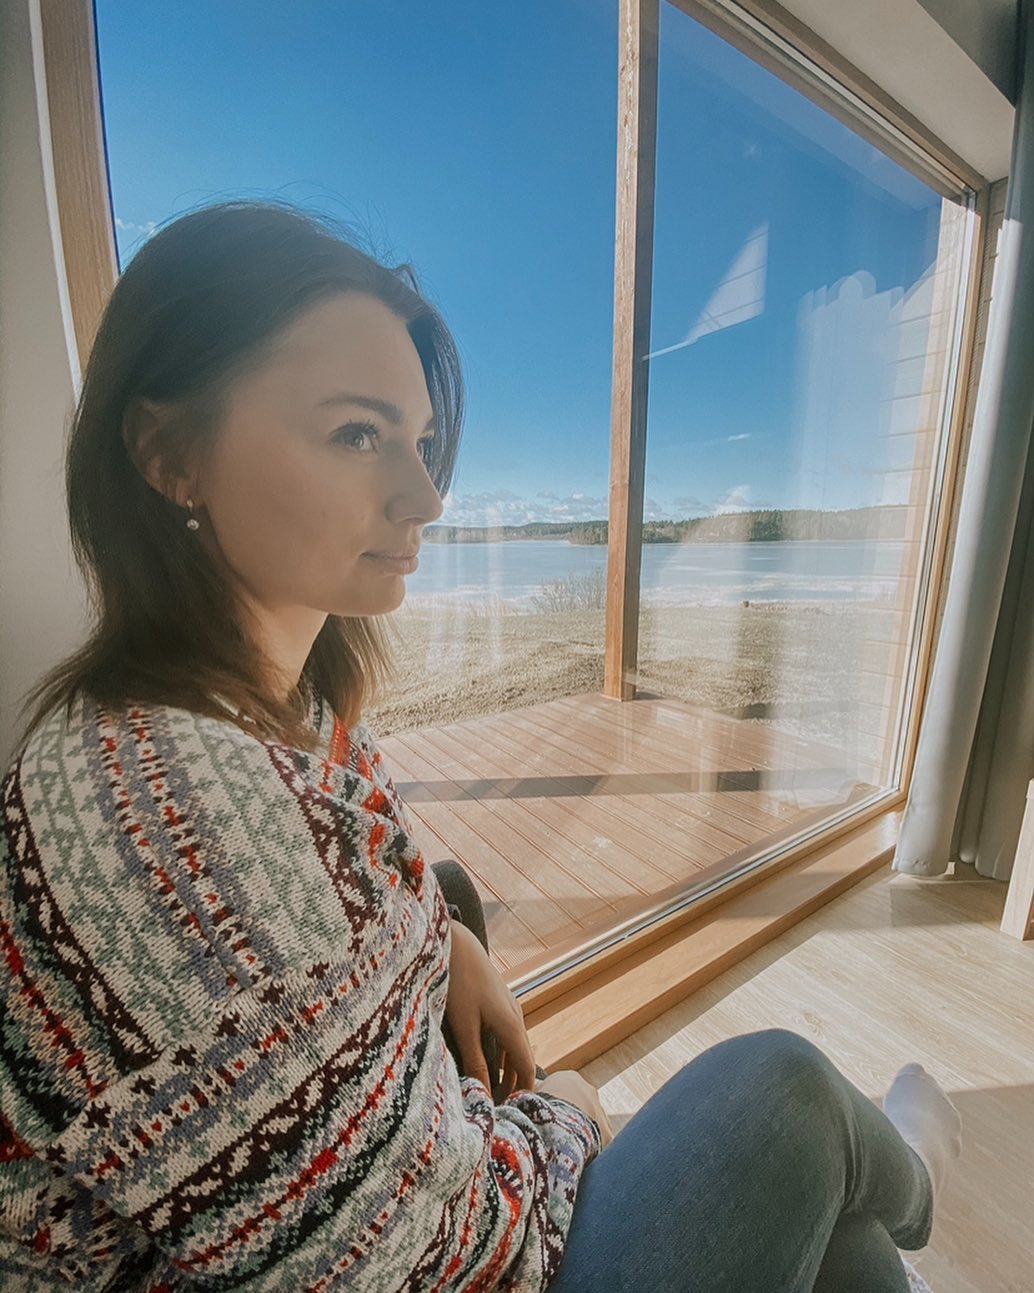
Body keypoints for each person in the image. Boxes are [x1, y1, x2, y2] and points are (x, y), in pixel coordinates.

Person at [0, 202, 961, 1292]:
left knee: (837, 1240)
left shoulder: (269, 710)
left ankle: (876, 1219)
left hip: (361, 1204)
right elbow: (428, 1262)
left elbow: (348, 919)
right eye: (356, 434)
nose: (426, 495)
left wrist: (447, 940)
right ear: (170, 454)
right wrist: (572, 1111)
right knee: (785, 1099)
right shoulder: (179, 826)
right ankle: (910, 1180)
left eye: (419, 442)